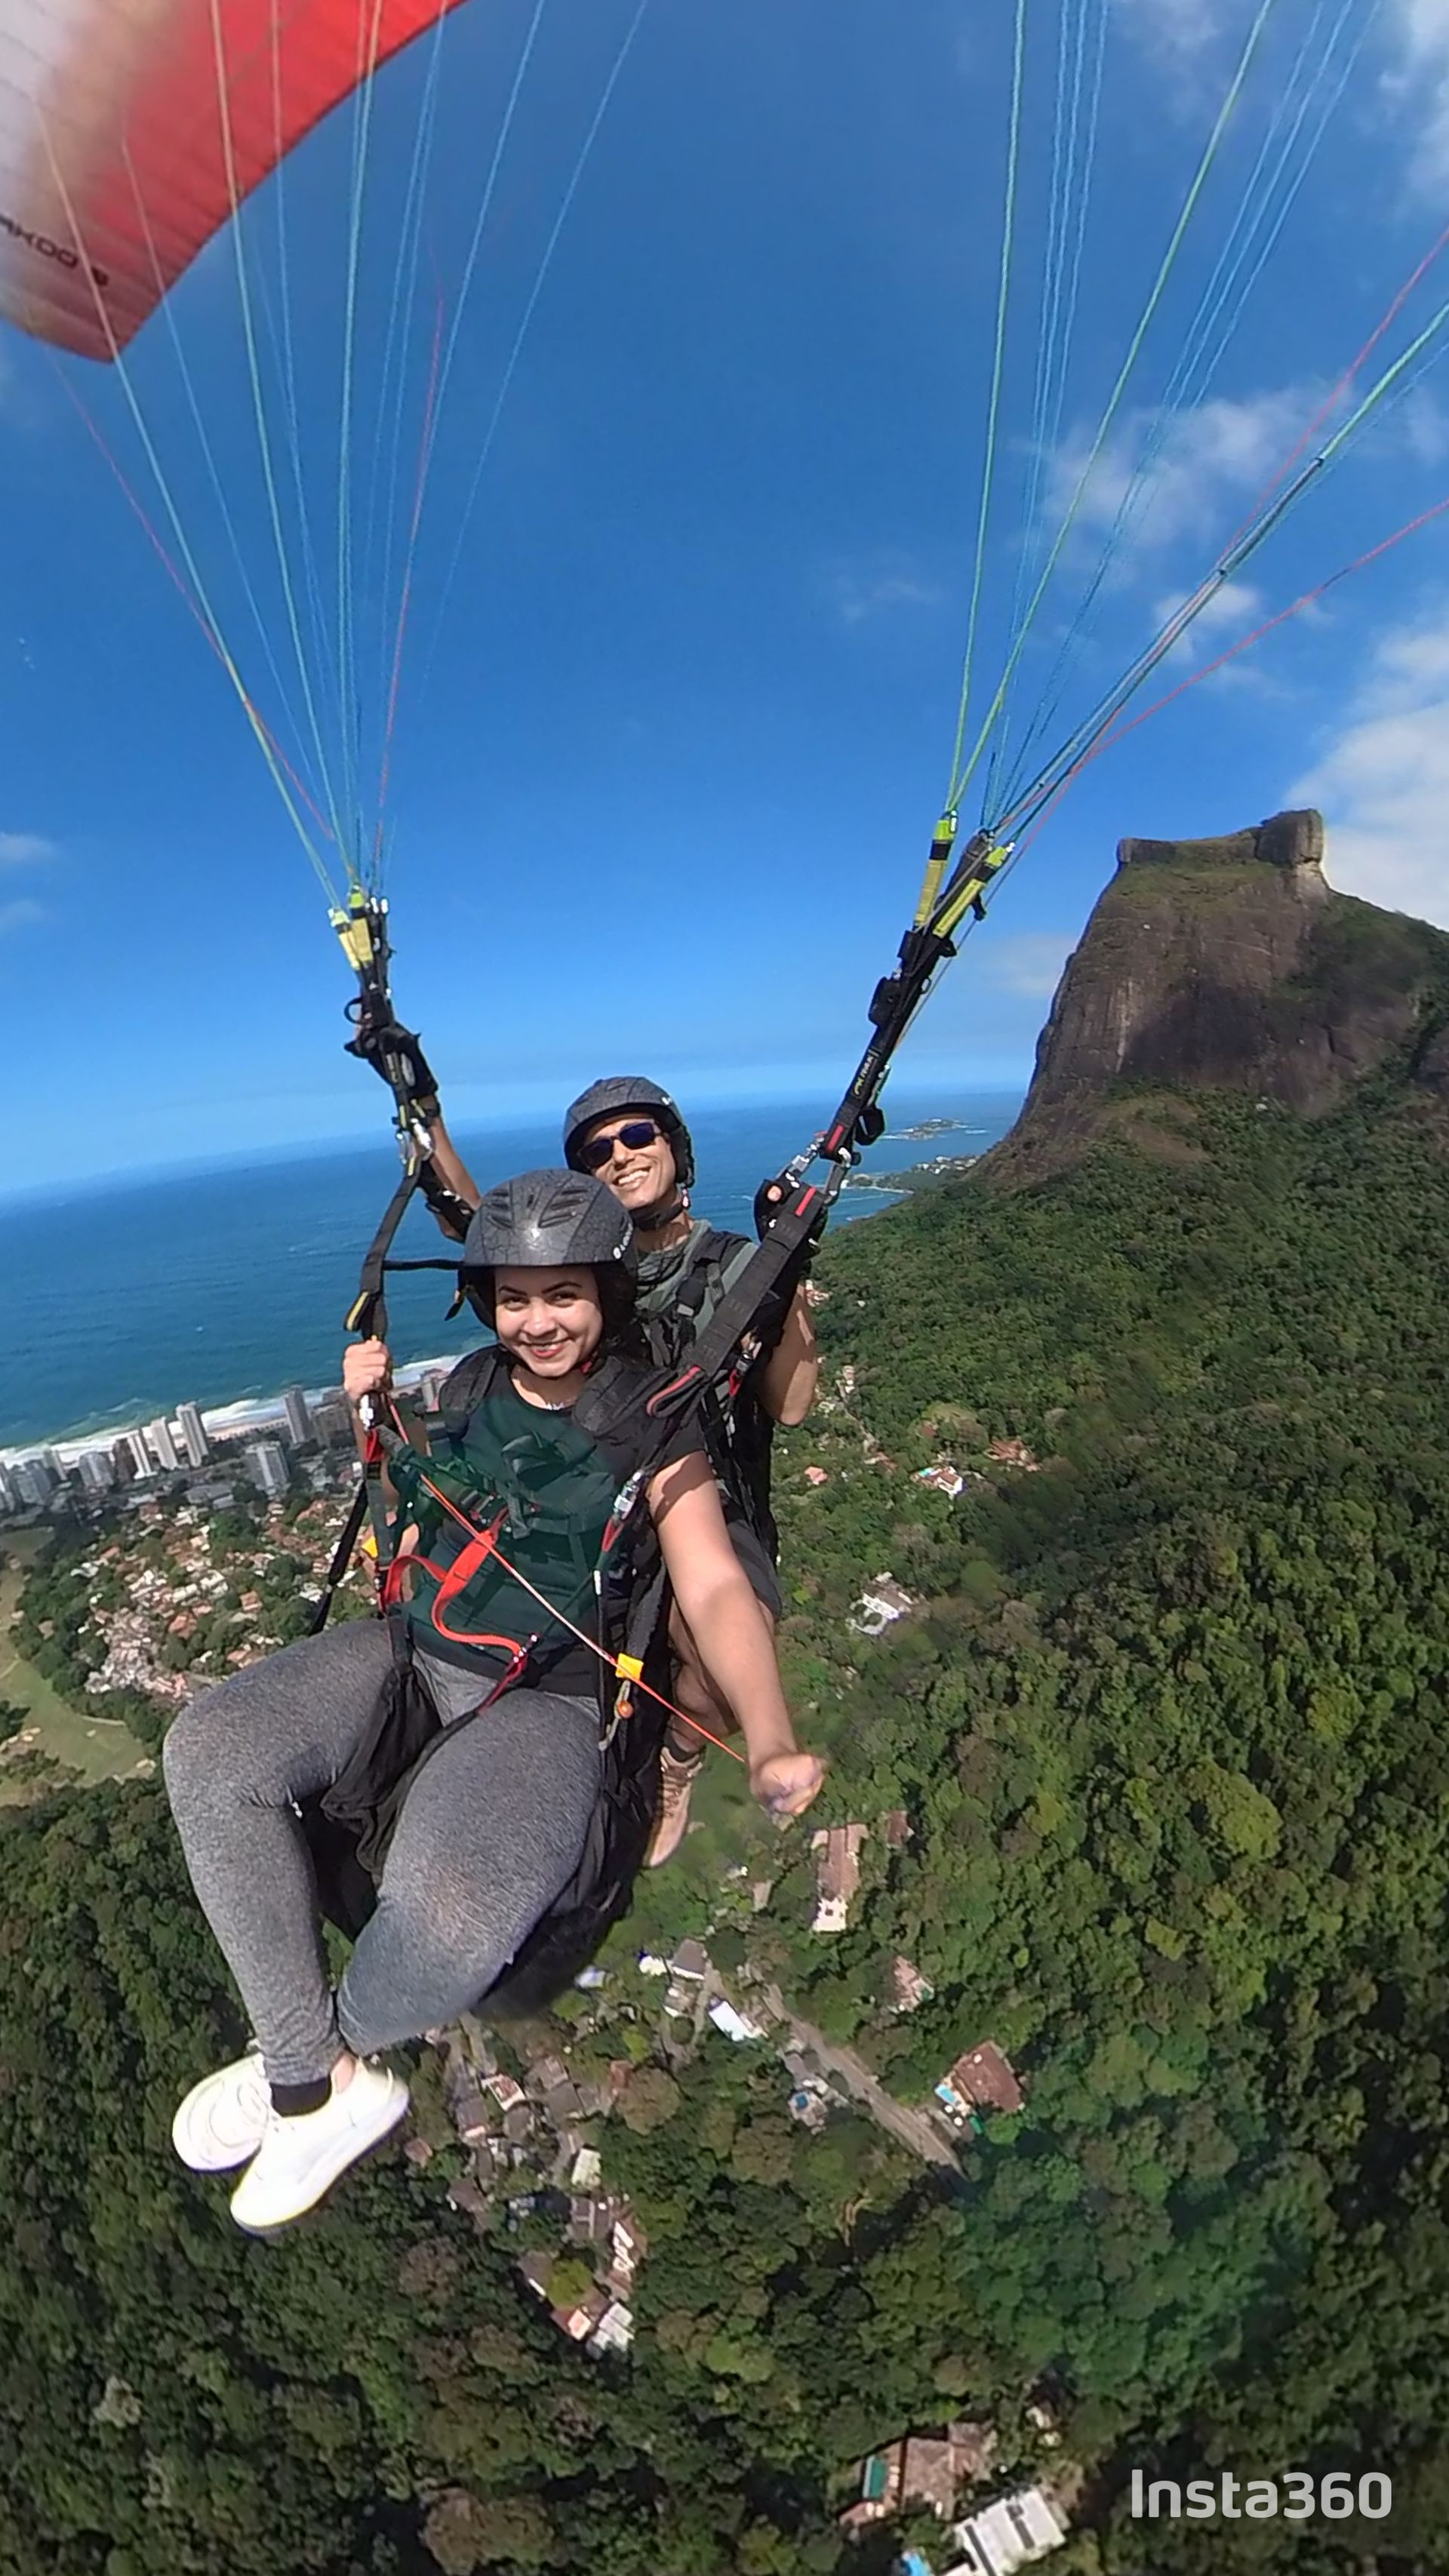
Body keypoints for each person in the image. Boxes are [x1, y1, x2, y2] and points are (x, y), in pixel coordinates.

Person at [162, 1169, 823, 2235]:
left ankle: (313, 2068)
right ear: (488, 1303)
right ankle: (307, 2071)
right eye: (516, 1297)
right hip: (419, 1650)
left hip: (546, 1699)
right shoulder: (470, 1387)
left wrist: (772, 1733)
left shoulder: (651, 1426)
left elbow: (712, 1585)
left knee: (455, 1910)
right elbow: (438, 1514)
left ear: (607, 1293)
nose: (540, 1319)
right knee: (210, 1753)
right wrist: (369, 1415)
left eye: (564, 1294)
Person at [561, 1078, 820, 1864]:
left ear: (674, 1145)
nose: (620, 1156)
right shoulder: (589, 1275)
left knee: (720, 1674)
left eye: (637, 1135)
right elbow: (489, 1237)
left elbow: (794, 1402)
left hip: (711, 1485)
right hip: (610, 1489)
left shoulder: (737, 1266)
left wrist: (787, 1279)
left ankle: (679, 1754)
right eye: (596, 1151)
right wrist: (426, 1117)